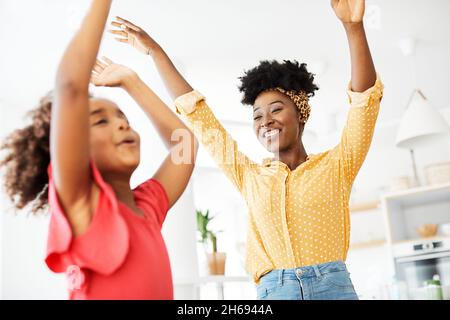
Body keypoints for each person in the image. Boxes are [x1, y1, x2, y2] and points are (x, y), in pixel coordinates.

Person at [111, 0, 383, 300]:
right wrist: (155, 52)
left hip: (334, 289)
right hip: (274, 291)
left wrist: (353, 28)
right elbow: (201, 119)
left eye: (276, 109)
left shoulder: (338, 165)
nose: (266, 120)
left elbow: (363, 105)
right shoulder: (249, 176)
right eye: (257, 115)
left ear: (301, 113)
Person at [0, 0, 197, 299]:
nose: (121, 125)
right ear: (75, 146)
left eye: (123, 118)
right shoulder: (81, 201)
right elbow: (70, 87)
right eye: (100, 121)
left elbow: (185, 144)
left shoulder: (148, 206)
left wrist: (132, 82)